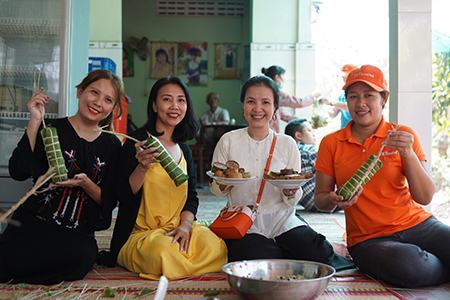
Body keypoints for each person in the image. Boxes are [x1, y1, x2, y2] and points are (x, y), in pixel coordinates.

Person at [315, 65, 450, 288]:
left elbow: (425, 197)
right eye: (353, 96)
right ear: (346, 101)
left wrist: (408, 154)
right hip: (369, 239)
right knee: (412, 267)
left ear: (383, 98)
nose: (361, 104)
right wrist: (333, 199)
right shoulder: (331, 143)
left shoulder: (403, 134)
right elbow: (321, 200)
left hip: (418, 224)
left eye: (369, 95)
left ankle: (437, 265)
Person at [210, 75, 351, 269]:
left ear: (275, 109)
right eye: (251, 101)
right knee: (260, 259)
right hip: (244, 222)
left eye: (265, 102)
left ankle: (302, 245)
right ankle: (281, 251)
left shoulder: (287, 143)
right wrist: (223, 184)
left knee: (318, 253)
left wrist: (290, 191)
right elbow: (216, 189)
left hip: (282, 219)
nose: (257, 109)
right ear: (243, 106)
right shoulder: (228, 140)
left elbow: (294, 194)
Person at [0, 70, 124, 284]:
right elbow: (17, 171)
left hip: (75, 232)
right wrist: (35, 121)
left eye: (108, 100)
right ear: (80, 91)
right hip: (36, 221)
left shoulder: (113, 145)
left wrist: (86, 184)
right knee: (10, 255)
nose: (98, 102)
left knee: (81, 258)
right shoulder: (51, 128)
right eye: (94, 92)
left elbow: (108, 201)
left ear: (113, 108)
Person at [103, 76, 227, 280]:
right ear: (154, 105)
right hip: (142, 235)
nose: (175, 106)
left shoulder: (184, 149)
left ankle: (182, 261)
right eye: (167, 99)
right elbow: (122, 195)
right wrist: (142, 167)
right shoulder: (137, 143)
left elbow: (192, 197)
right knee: (164, 253)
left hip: (177, 228)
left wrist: (186, 226)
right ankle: (180, 262)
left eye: (181, 100)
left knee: (216, 246)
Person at [261, 65, 323, 133]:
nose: (284, 80)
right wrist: (314, 95)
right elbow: (300, 103)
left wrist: (303, 121)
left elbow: (281, 115)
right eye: (283, 76)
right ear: (277, 77)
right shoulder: (275, 93)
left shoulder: (266, 91)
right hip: (267, 132)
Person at [284, 118, 319, 212]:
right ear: (298, 136)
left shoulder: (287, 153)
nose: (313, 133)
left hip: (307, 201)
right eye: (309, 130)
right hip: (319, 201)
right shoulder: (307, 150)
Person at [320, 64, 358, 128]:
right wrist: (324, 105)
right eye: (343, 77)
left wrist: (330, 102)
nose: (344, 79)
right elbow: (332, 115)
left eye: (347, 77)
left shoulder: (359, 94)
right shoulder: (342, 96)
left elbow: (350, 108)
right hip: (344, 133)